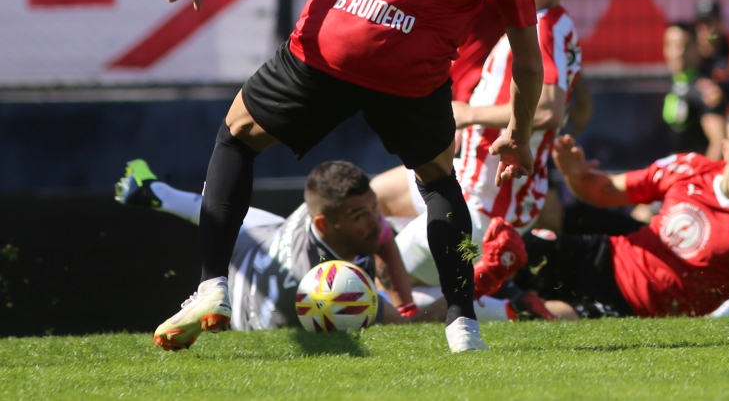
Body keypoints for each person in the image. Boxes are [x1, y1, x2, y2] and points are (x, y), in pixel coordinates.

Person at [153, 0, 544, 353]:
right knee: (439, 183)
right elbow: (528, 58)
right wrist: (521, 135)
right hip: (412, 68)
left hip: (335, 41)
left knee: (237, 139)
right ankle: (463, 323)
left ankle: (212, 285)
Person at [388, 0, 595, 294]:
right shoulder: (540, 21)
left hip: (483, 201)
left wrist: (468, 114)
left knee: (394, 275)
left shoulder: (546, 27)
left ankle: (510, 306)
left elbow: (548, 109)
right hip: (467, 178)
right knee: (369, 201)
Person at [115, 159, 552, 330]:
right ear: (328, 223)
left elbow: (382, 238)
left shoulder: (325, 215)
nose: (375, 222)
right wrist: (480, 279)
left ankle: (159, 193)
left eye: (371, 209)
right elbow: (410, 326)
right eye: (360, 215)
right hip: (262, 318)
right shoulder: (324, 282)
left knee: (233, 217)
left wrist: (400, 299)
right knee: (434, 304)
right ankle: (514, 309)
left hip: (257, 247)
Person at [516, 98, 729, 318]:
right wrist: (575, 174)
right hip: (607, 257)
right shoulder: (687, 167)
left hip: (638, 311)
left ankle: (492, 308)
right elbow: (604, 192)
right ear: (725, 145)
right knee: (517, 248)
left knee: (538, 313)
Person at [660, 20, 726, 160]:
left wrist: (701, 177)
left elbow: (719, 141)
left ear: (698, 48)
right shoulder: (671, 81)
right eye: (672, 45)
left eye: (686, 46)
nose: (679, 53)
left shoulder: (704, 89)